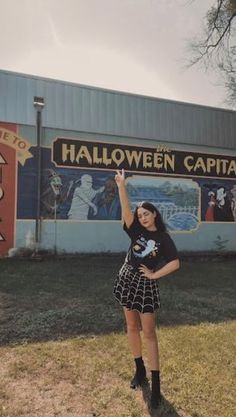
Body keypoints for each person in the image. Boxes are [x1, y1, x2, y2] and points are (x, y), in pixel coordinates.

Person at [113, 169, 180, 409]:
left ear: (154, 214)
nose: (142, 218)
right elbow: (125, 211)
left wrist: (154, 274)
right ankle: (139, 370)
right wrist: (121, 186)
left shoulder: (163, 238)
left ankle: (156, 386)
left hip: (145, 286)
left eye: (146, 214)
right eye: (140, 215)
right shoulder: (136, 230)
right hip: (127, 279)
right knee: (131, 326)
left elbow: (174, 263)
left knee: (149, 333)